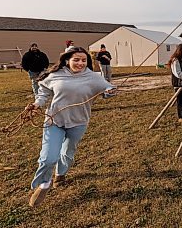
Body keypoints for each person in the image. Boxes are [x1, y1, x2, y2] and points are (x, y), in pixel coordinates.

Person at [26, 47, 116, 207]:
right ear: (67, 60)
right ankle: (44, 185)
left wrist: (110, 91)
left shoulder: (94, 77)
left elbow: (107, 88)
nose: (80, 63)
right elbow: (43, 92)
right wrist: (37, 104)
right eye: (76, 59)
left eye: (84, 60)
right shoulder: (55, 75)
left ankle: (60, 175)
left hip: (79, 122)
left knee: (67, 152)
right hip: (54, 120)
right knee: (48, 158)